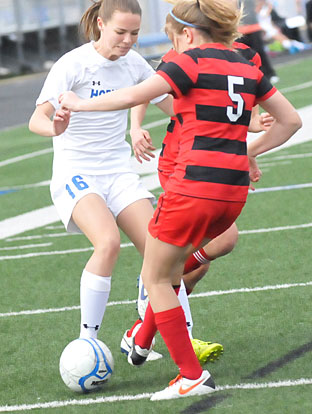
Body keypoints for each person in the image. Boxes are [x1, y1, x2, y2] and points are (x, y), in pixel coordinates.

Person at [59, 0, 302, 400]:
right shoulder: (246, 61)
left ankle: (188, 372)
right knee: (182, 259)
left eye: (174, 37)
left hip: (194, 186)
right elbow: (291, 120)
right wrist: (248, 152)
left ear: (187, 33)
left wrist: (80, 102)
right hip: (233, 190)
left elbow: (132, 94)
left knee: (156, 277)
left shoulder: (189, 61)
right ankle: (142, 337)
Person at [28, 0, 220, 365]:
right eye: (121, 32)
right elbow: (37, 119)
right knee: (108, 243)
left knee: (164, 254)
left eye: (134, 33)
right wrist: (54, 126)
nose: (128, 40)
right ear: (100, 24)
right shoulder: (73, 64)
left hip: (118, 172)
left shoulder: (134, 64)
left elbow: (176, 107)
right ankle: (88, 343)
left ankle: (175, 337)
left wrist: (232, 114)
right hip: (77, 172)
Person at [238, 0, 279, 83]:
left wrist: (257, 10)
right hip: (239, 30)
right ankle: (251, 78)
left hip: (253, 27)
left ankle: (270, 74)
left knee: (259, 52)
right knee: (243, 56)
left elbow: (262, 2)